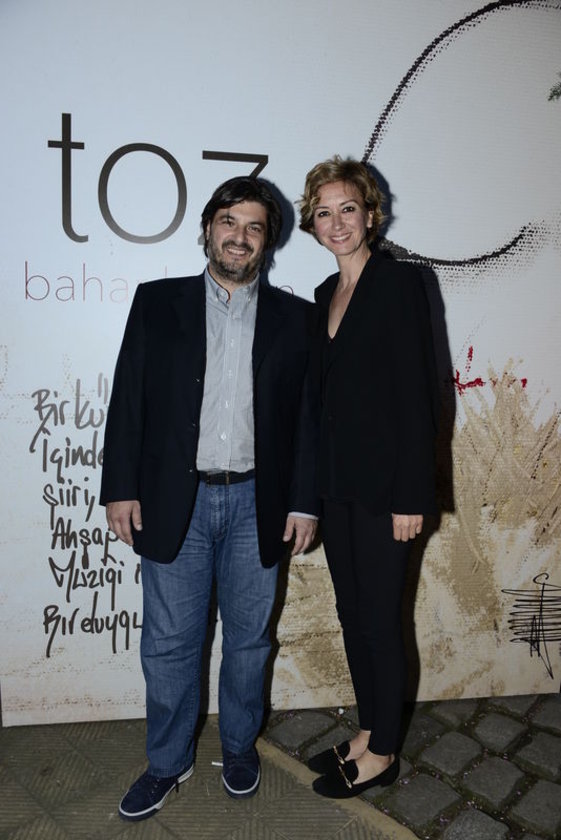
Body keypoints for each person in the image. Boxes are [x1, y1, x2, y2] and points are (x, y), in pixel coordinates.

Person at [100, 176, 318, 821]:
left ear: (267, 242)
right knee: (169, 642)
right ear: (207, 229)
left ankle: (240, 747)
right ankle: (167, 763)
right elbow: (128, 400)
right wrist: (120, 489)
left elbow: (309, 420)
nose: (239, 236)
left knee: (250, 641)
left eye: (254, 227)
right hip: (176, 501)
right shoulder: (156, 302)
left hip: (259, 503)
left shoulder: (297, 319)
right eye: (229, 221)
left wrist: (304, 502)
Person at [299, 156, 438, 798]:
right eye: (323, 213)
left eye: (347, 209)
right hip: (338, 485)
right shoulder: (324, 295)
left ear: (370, 214)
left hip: (387, 491)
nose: (336, 223)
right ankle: (368, 728)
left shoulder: (401, 283)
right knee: (353, 613)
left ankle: (384, 753)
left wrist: (412, 494)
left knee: (381, 619)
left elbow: (419, 395)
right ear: (312, 224)